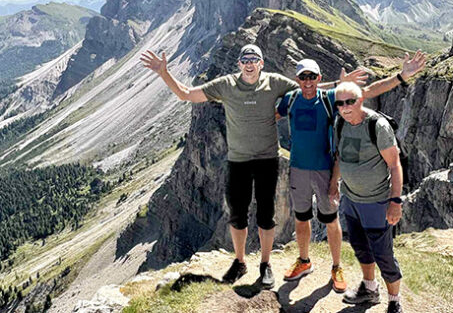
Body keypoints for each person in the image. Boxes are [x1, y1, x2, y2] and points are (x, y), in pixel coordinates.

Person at [140, 44, 367, 289]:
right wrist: (163, 72)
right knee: (237, 214)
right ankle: (240, 261)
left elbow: (307, 88)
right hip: (237, 160)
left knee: (265, 215)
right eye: (245, 59)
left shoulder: (274, 82)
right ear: (239, 64)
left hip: (267, 159)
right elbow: (186, 94)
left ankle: (265, 264)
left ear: (261, 63)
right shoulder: (225, 85)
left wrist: (338, 85)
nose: (249, 63)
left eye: (254, 59)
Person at [277, 53, 424, 295]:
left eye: (312, 76)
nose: (307, 81)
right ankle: (304, 262)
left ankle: (336, 268)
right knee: (301, 217)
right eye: (303, 76)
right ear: (297, 78)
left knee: (330, 219)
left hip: (324, 169)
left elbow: (368, 92)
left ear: (318, 77)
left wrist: (400, 76)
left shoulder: (330, 99)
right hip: (297, 170)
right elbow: (267, 115)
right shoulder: (291, 99)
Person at [331, 81, 406, 313]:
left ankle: (394, 302)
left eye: (350, 101)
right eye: (340, 103)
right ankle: (370, 289)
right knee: (360, 246)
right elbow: (341, 158)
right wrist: (334, 183)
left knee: (383, 254)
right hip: (351, 200)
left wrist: (395, 201)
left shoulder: (377, 126)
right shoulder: (341, 123)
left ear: (361, 100)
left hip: (376, 202)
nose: (344, 107)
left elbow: (394, 165)